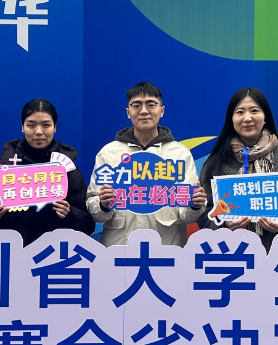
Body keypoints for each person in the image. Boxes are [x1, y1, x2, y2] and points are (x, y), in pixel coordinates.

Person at [86, 82, 207, 246]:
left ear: (161, 111)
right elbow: (93, 209)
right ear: (128, 112)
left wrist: (194, 205)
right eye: (136, 105)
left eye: (151, 104)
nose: (143, 111)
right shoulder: (109, 153)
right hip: (119, 251)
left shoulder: (179, 154)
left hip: (166, 249)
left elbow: (188, 216)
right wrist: (103, 205)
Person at [199, 87, 278, 252]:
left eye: (254, 111)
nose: (247, 118)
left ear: (265, 117)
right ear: (231, 119)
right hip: (233, 257)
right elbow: (203, 215)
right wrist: (224, 224)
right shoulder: (216, 163)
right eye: (240, 112)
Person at [0, 98, 94, 245]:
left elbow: (87, 224)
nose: (39, 132)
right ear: (22, 127)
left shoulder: (66, 168)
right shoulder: (3, 168)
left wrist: (70, 214)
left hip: (52, 252)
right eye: (31, 125)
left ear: (55, 127)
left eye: (46, 125)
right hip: (10, 250)